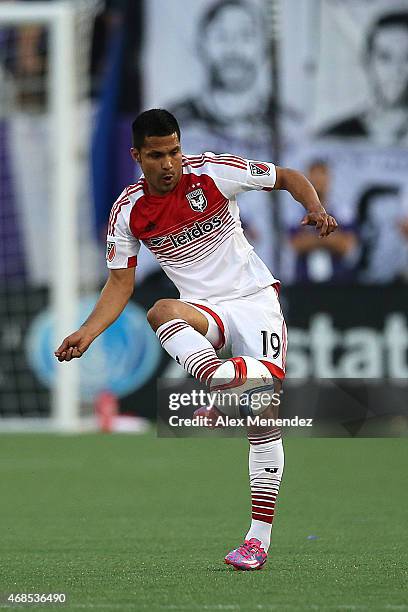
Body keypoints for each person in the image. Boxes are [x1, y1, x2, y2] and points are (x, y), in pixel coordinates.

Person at [55, 109, 338, 571]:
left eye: (174, 152)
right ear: (137, 156)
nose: (169, 164)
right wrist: (87, 333)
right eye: (156, 155)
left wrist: (315, 207)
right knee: (161, 310)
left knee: (263, 417)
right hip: (205, 311)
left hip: (255, 301)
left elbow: (286, 176)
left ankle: (257, 540)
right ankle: (217, 383)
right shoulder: (128, 212)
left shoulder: (212, 172)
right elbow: (119, 285)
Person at [320, 11, 408, 145]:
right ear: (367, 62)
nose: (397, 71)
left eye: (406, 58)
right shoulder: (335, 137)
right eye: (385, 57)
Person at [289, 160, 358, 283]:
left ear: (329, 179)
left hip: (339, 279)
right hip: (304, 280)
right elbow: (296, 244)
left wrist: (312, 238)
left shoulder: (342, 209)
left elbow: (346, 245)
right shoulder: (295, 210)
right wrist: (329, 237)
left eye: (321, 177)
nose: (317, 182)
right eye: (313, 178)